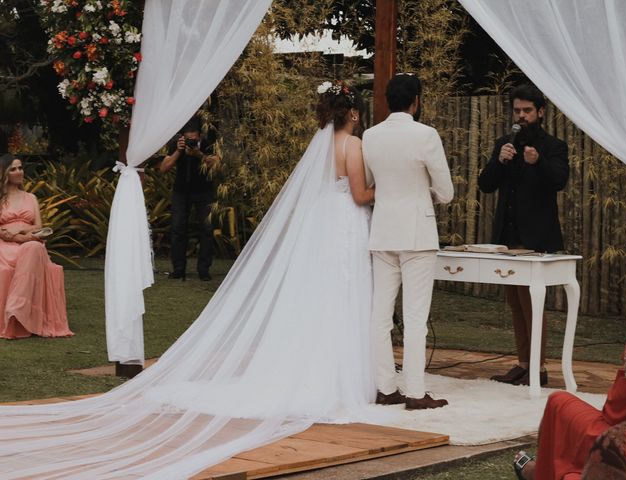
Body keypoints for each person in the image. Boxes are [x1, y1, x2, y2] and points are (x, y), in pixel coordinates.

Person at [0, 82, 395, 477]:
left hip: (321, 226)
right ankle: (340, 377)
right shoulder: (354, 146)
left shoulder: (319, 147)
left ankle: (315, 367)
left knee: (320, 297)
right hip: (344, 225)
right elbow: (360, 195)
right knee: (345, 295)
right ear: (354, 114)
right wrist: (390, 187)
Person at [362, 73, 454, 410]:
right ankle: (415, 392)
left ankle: (385, 388)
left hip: (383, 231)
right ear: (415, 100)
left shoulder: (370, 136)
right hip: (417, 234)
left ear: (388, 100)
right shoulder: (426, 135)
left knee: (380, 316)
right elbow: (446, 193)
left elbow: (370, 182)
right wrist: (423, 189)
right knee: (415, 318)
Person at [479, 84, 569, 387]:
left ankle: (539, 368)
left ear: (540, 112)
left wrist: (537, 162)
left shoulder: (553, 146)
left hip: (537, 238)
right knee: (515, 303)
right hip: (507, 236)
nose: (521, 115)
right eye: (517, 110)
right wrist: (498, 161)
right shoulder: (505, 143)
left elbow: (559, 181)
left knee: (533, 303)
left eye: (527, 110)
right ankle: (522, 363)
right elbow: (486, 185)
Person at [513, 321, 626, 480]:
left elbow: (614, 413)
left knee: (558, 402)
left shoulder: (616, 442)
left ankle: (541, 473)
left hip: (624, 442)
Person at [0, 154, 72, 339]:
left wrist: (22, 230)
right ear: (5, 173)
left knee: (34, 248)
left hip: (29, 242)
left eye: (20, 168)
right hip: (4, 246)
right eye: (13, 169)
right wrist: (15, 236)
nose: (19, 172)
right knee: (27, 249)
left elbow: (38, 226)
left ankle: (16, 307)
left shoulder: (30, 197)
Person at [159, 117, 222, 281]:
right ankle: (178, 269)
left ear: (199, 136)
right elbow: (163, 168)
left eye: (193, 139)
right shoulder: (176, 145)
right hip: (181, 191)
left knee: (207, 230)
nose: (190, 141)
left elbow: (217, 166)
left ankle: (204, 270)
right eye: (188, 139)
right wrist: (179, 151)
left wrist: (198, 154)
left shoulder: (208, 143)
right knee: (178, 228)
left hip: (204, 191)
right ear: (183, 137)